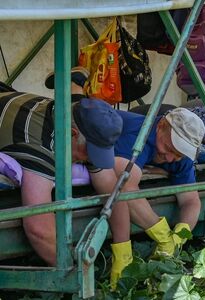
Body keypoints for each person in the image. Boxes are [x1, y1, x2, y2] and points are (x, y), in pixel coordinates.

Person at [0, 92, 123, 268]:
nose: (89, 161)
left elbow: (112, 189)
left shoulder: (76, 111)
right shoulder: (37, 144)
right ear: (72, 134)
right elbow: (38, 229)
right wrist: (80, 276)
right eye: (90, 153)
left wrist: (122, 247)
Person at [108, 106, 205, 288]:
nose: (169, 158)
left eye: (178, 154)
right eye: (168, 148)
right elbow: (124, 187)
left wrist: (179, 237)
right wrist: (163, 236)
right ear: (160, 125)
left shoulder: (179, 157)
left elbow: (191, 201)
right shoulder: (137, 134)